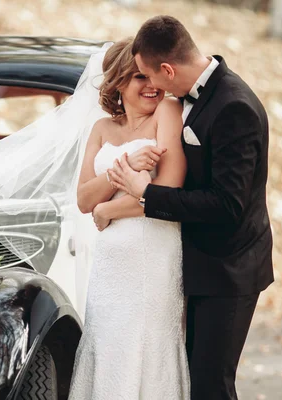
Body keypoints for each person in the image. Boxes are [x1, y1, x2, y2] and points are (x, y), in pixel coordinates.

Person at [108, 15, 274, 400]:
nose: (152, 87)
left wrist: (145, 193)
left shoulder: (234, 106)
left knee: (212, 386)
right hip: (200, 265)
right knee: (197, 382)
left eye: (152, 77)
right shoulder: (197, 97)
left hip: (230, 268)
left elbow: (227, 204)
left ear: (168, 68)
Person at [68, 37, 190, 400]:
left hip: (153, 254)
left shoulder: (168, 112)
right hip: (111, 264)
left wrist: (109, 209)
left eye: (153, 76)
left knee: (149, 345)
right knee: (107, 343)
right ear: (118, 81)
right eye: (139, 77)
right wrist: (125, 169)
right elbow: (83, 199)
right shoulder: (102, 129)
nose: (152, 86)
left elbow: (169, 191)